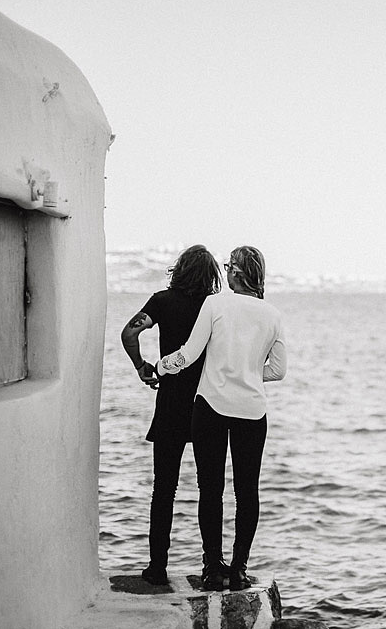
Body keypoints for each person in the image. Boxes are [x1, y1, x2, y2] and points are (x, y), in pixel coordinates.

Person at [156, 245, 287, 591]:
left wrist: (160, 367)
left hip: (211, 408)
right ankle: (240, 569)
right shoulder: (272, 314)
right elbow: (279, 370)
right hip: (252, 411)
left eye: (229, 266)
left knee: (210, 489)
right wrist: (250, 374)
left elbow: (189, 354)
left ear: (237, 274)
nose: (225, 271)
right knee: (248, 493)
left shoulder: (215, 305)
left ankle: (213, 568)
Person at [121, 244, 222, 586]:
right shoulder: (215, 306)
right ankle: (213, 566)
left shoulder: (161, 301)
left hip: (170, 404)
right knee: (211, 489)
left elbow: (130, 332)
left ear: (179, 269)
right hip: (207, 404)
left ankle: (157, 568)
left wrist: (141, 367)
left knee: (163, 490)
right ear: (211, 275)